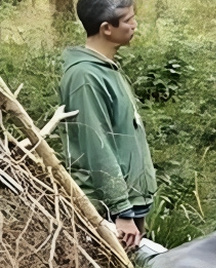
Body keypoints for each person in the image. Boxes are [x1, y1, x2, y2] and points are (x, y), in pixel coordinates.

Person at [60, 0, 156, 250]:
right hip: (109, 208)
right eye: (128, 20)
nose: (135, 25)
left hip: (129, 200)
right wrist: (121, 211)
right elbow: (97, 146)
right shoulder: (86, 77)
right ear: (106, 28)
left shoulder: (106, 68)